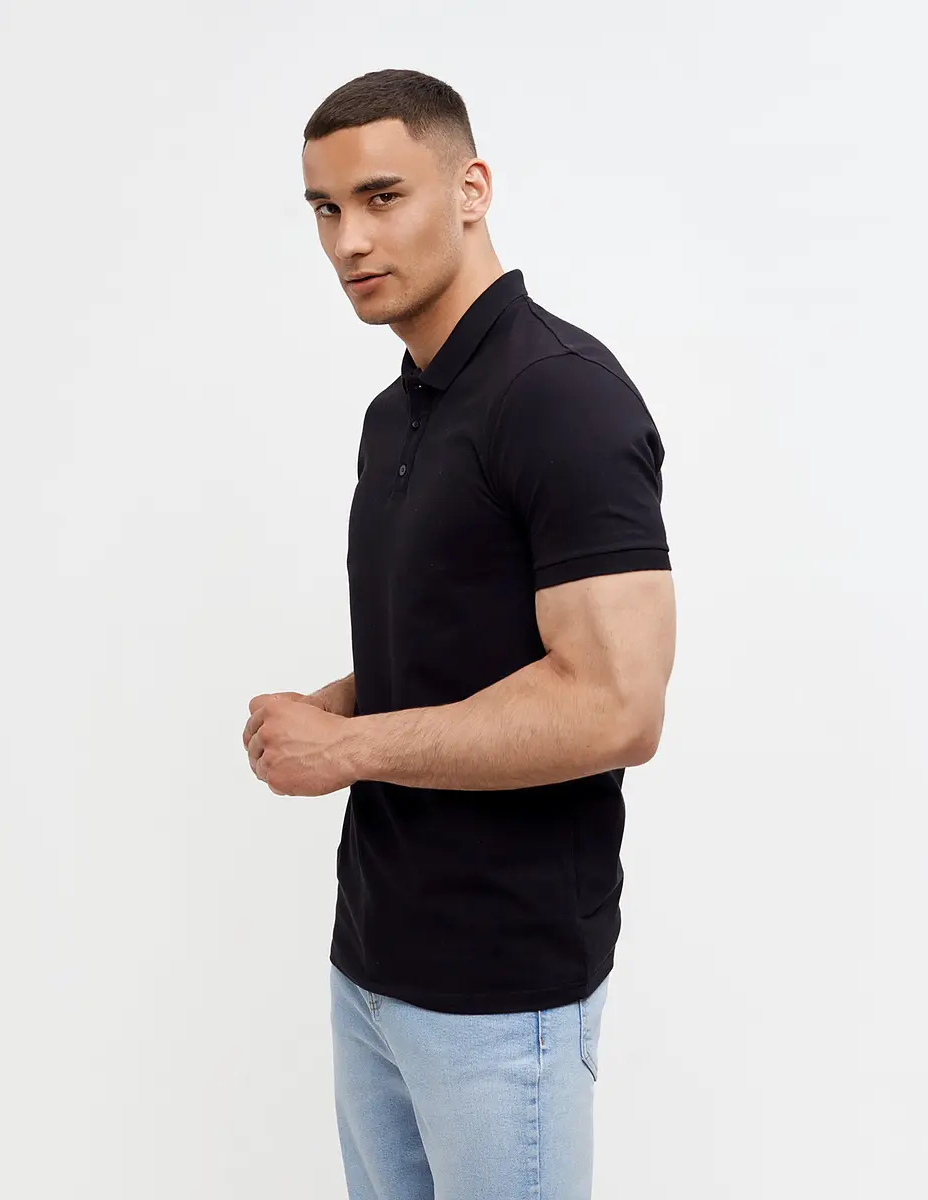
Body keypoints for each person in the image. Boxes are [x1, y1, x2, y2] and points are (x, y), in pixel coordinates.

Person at [243, 68, 676, 1200]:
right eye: (326, 209)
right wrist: (340, 703)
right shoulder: (396, 413)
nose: (348, 240)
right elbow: (459, 637)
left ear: (472, 189)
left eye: (382, 197)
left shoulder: (564, 397)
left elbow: (616, 706)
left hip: (501, 991)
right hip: (371, 964)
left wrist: (349, 749)